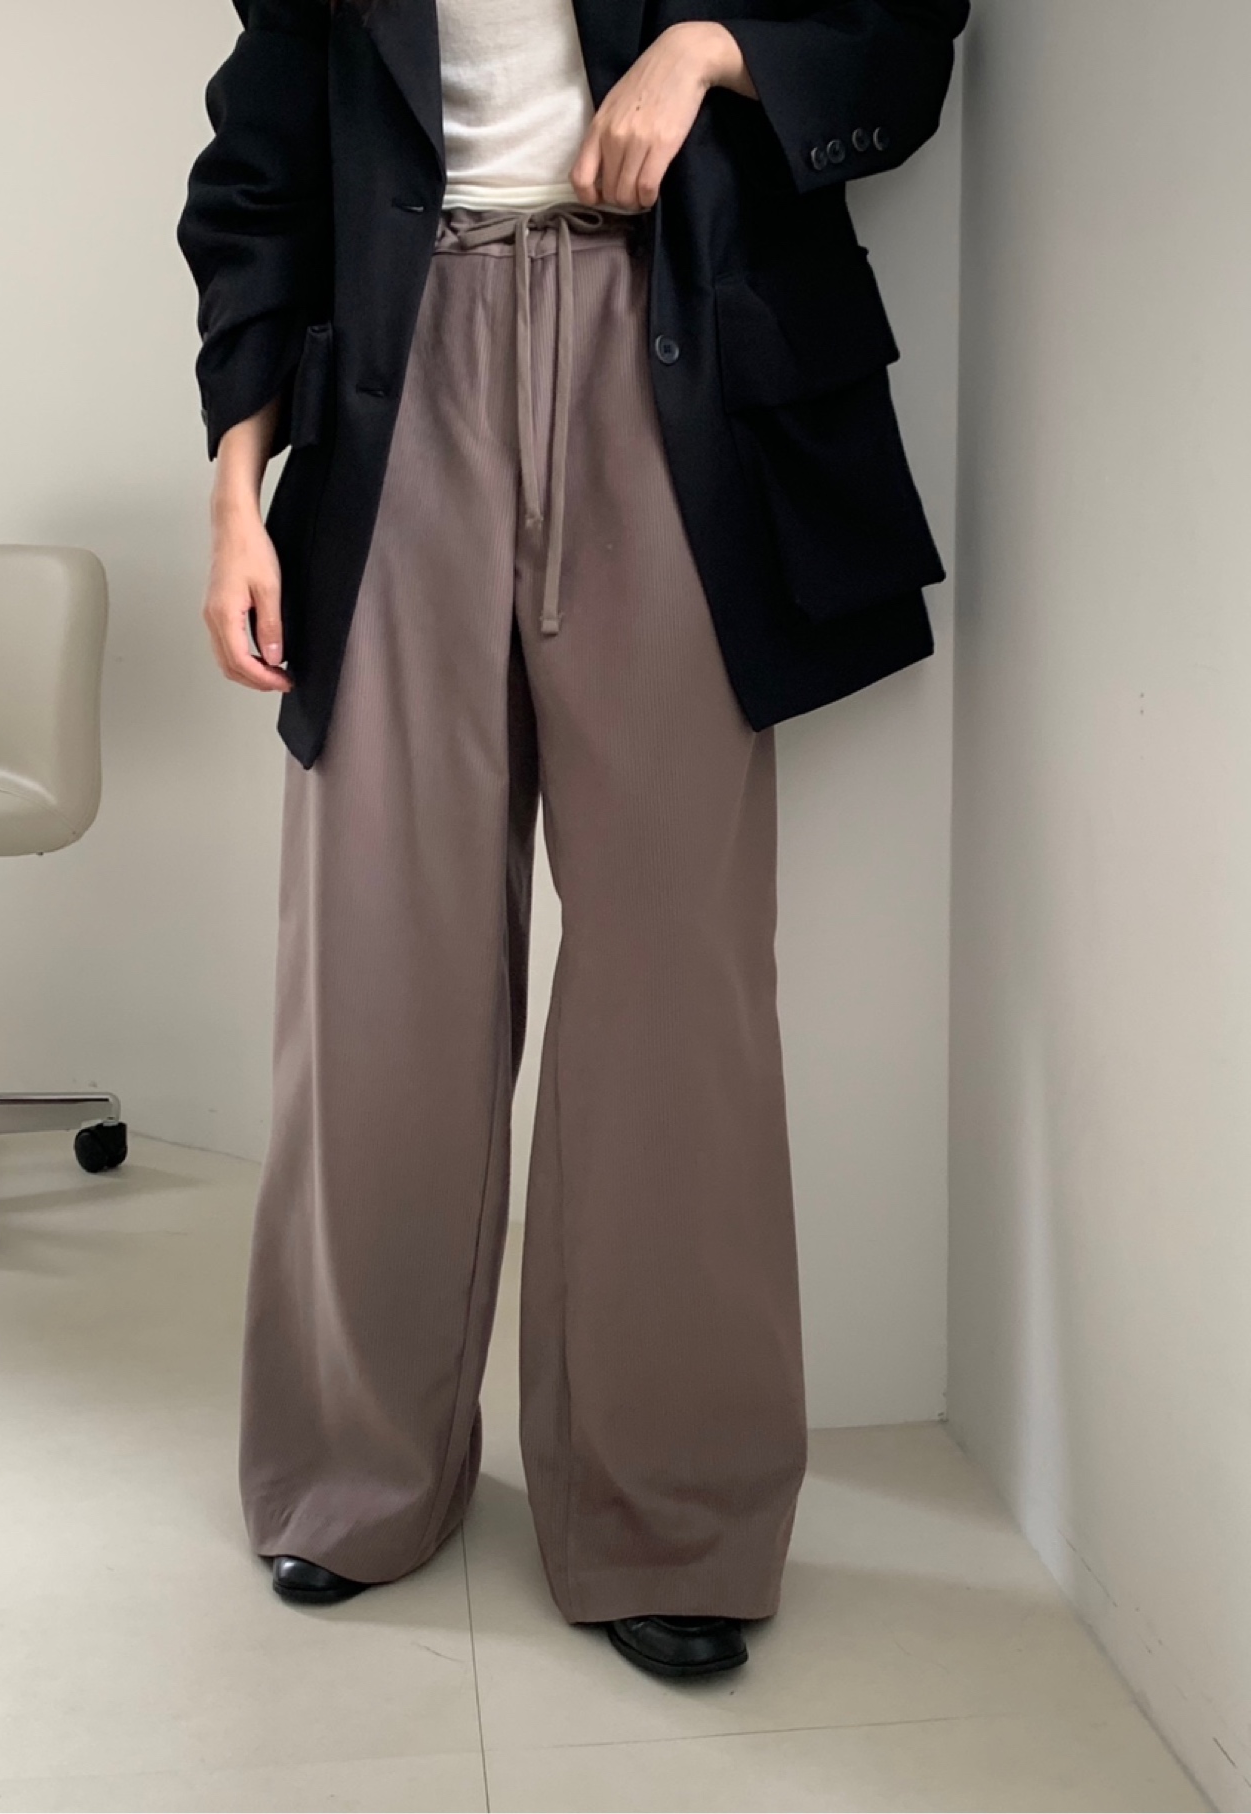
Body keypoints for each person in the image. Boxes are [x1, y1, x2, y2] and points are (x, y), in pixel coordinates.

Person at [177, 0, 968, 1681]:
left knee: (677, 984)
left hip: (671, 364)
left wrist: (707, 49)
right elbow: (259, 174)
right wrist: (238, 492)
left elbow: (900, 31)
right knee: (376, 965)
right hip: (399, 382)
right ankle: (356, 1468)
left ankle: (669, 1512)